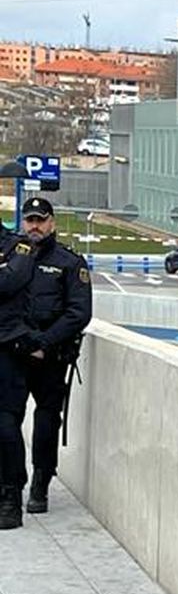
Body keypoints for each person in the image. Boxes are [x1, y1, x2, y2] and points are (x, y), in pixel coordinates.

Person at [9, 198, 91, 516]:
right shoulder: (12, 257)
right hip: (14, 355)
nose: (35, 226)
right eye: (30, 220)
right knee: (7, 422)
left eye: (40, 220)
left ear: (52, 223)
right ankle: (11, 484)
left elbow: (78, 312)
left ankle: (41, 483)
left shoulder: (69, 262)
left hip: (51, 357)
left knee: (46, 421)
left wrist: (44, 342)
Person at [0, 222, 40, 530]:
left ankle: (11, 495)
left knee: (5, 425)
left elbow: (9, 282)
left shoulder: (18, 247)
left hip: (7, 351)